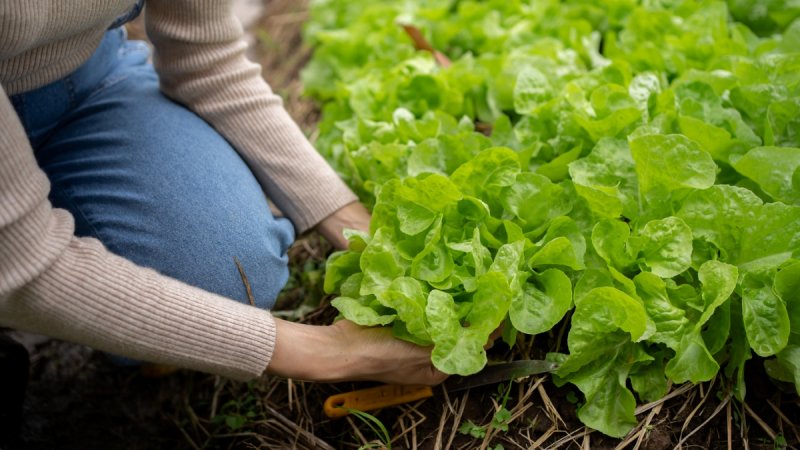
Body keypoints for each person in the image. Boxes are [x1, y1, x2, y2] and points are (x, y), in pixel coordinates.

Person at [0, 0, 447, 386]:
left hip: (89, 82)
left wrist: (369, 238)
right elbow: (24, 263)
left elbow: (208, 61)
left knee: (230, 275)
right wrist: (333, 351)